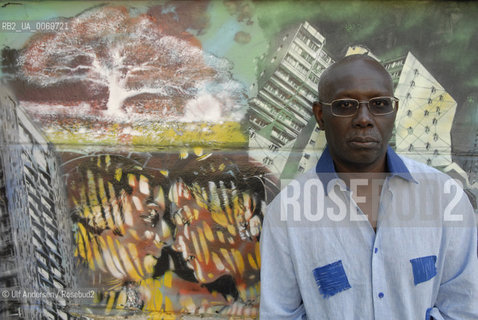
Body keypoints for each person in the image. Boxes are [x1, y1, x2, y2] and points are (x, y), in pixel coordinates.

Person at [259, 54, 478, 319]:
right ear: (320, 115)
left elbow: (464, 306)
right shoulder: (287, 213)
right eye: (345, 105)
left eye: (380, 104)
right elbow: (281, 314)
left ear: (394, 111)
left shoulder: (445, 197)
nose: (364, 118)